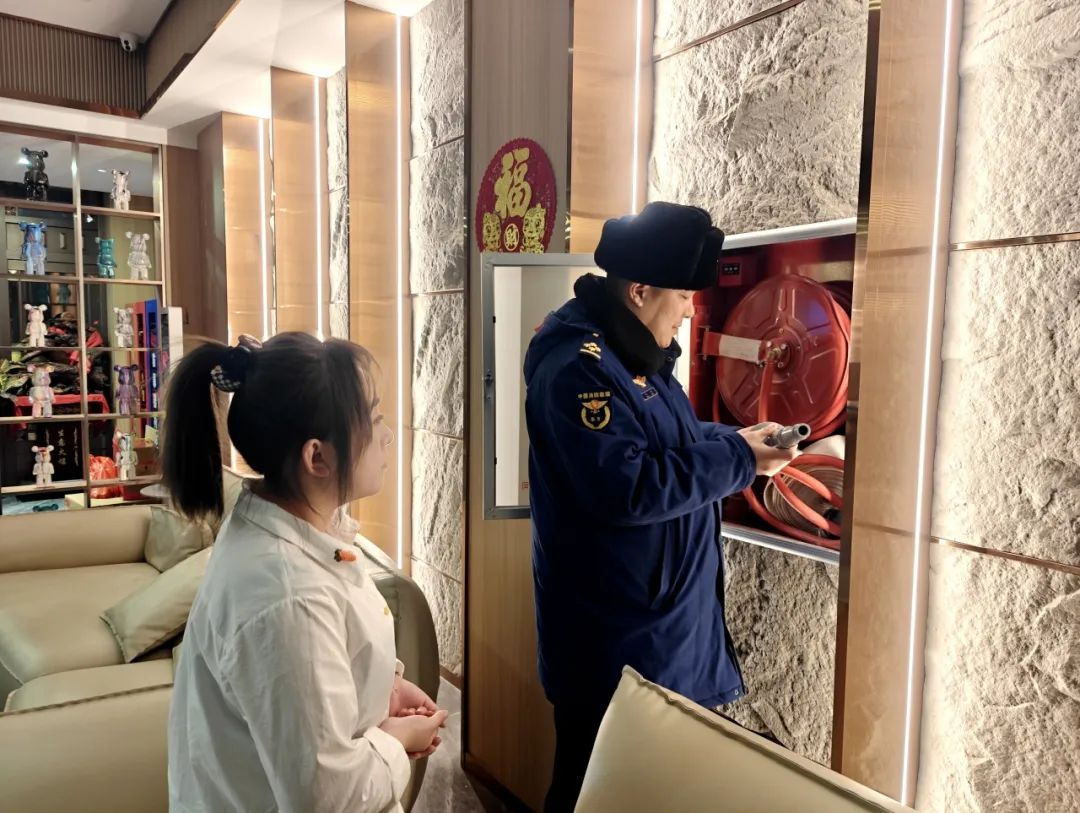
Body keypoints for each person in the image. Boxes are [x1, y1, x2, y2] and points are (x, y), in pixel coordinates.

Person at [524, 202, 799, 811]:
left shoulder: (636, 355)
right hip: (615, 645)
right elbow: (629, 487)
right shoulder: (579, 372)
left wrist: (741, 441)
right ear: (640, 292)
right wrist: (739, 460)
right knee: (591, 794)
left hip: (659, 636)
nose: (691, 310)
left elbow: (671, 439)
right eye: (683, 296)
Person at [163, 332, 447, 813]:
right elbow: (326, 796)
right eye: (373, 418)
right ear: (318, 456)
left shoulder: (292, 535)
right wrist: (397, 741)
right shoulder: (286, 596)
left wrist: (384, 690)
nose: (387, 436)